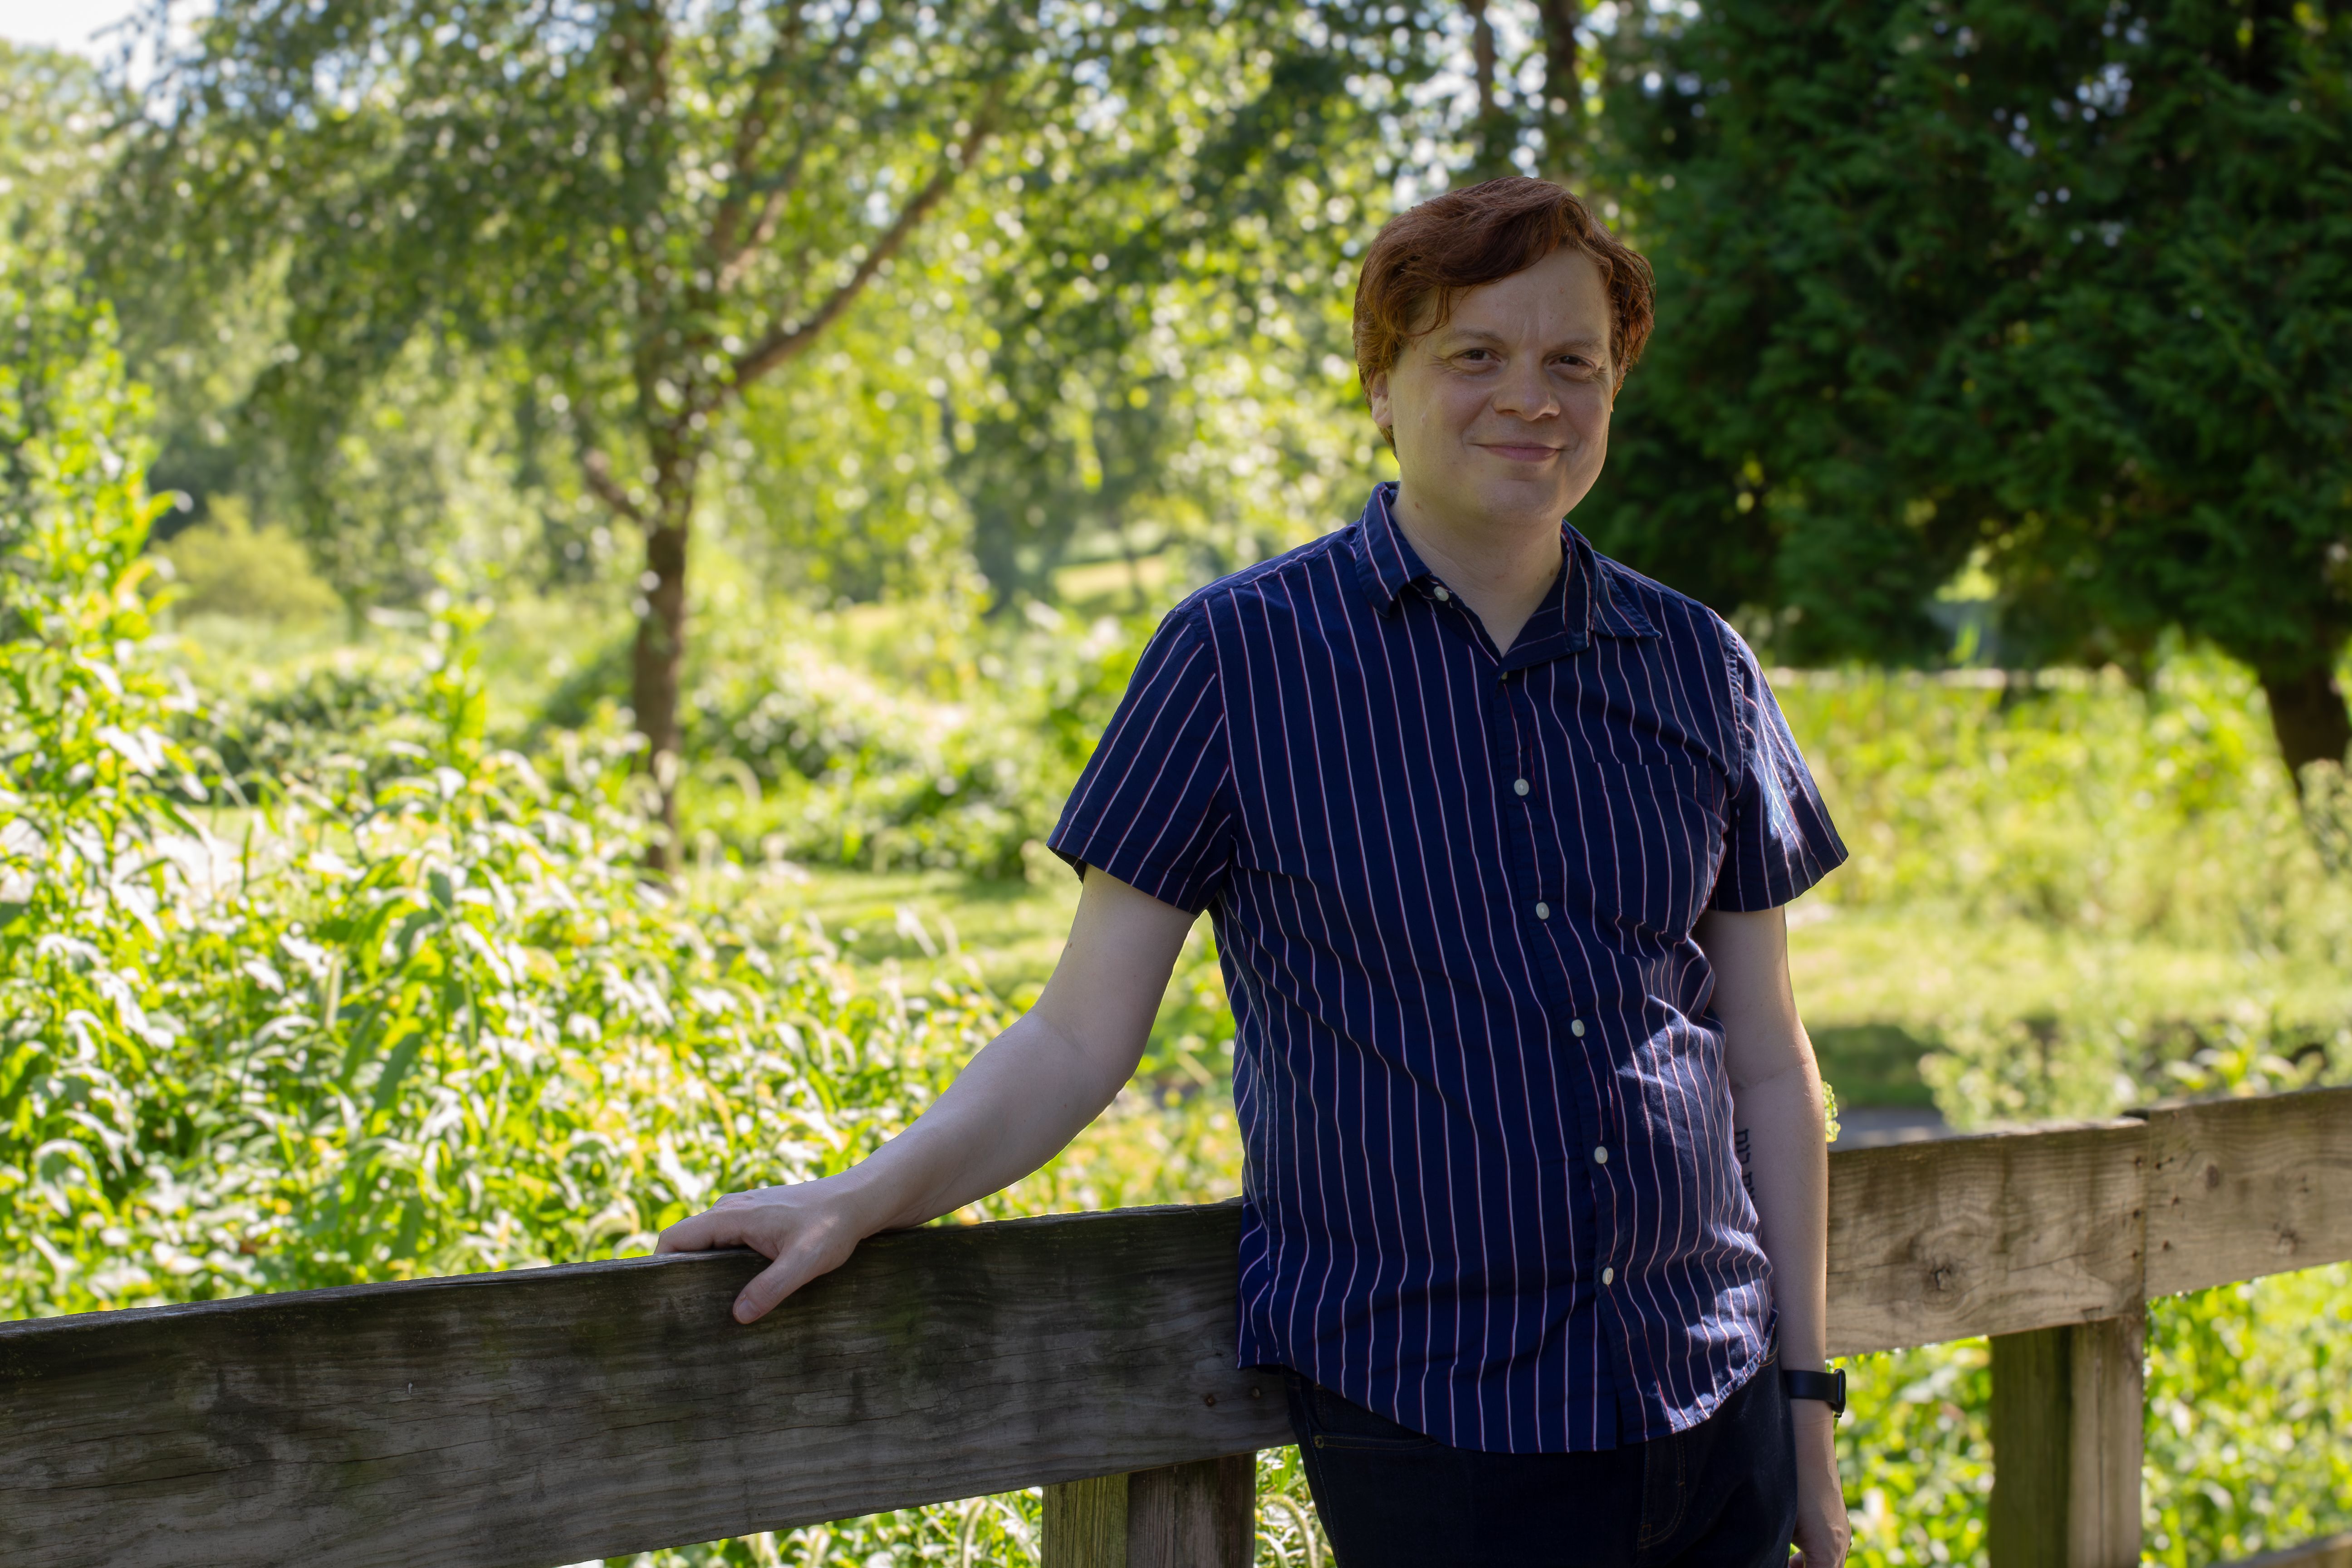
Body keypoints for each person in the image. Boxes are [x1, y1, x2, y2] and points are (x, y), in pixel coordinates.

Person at [657, 176, 1853, 1568]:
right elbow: (1075, 1034)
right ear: (1383, 384)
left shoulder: (1701, 665)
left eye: (1572, 363)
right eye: (1475, 354)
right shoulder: (1236, 657)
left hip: (1715, 1409)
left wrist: (1806, 1410)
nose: (1531, 396)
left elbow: (1767, 1056)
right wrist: (866, 1194)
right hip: (1438, 1427)